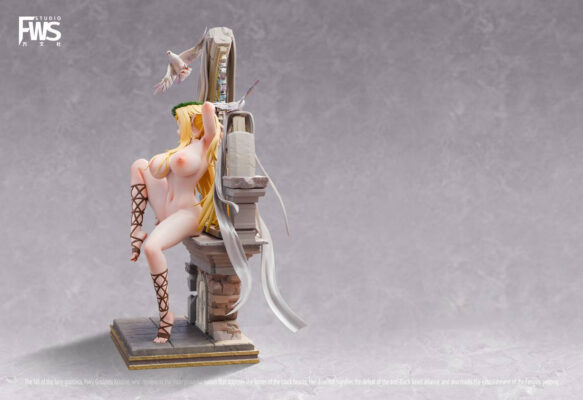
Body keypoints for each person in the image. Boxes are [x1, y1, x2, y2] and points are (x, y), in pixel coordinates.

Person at [129, 101, 222, 343]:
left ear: (193, 122)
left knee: (152, 249)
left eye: (180, 123)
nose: (178, 129)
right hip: (166, 208)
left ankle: (165, 315)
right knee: (139, 165)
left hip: (187, 213)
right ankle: (135, 231)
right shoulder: (182, 148)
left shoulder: (205, 145)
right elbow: (151, 171)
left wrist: (209, 104)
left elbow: (210, 117)